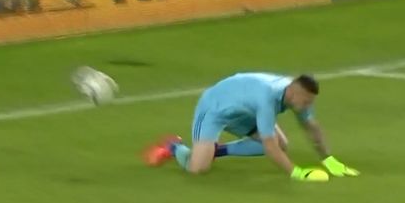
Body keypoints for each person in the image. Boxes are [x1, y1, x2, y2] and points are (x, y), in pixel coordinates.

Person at [145, 72, 359, 181]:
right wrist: (297, 173)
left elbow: (311, 126)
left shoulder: (296, 97)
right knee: (197, 169)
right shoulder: (268, 98)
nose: (307, 106)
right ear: (293, 92)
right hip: (214, 109)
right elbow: (268, 145)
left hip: (244, 113)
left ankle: (216, 150)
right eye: (305, 101)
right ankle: (173, 146)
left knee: (282, 145)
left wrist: (328, 160)